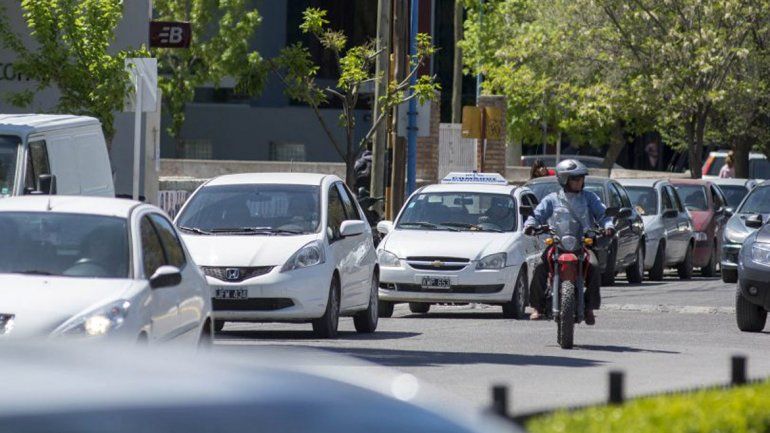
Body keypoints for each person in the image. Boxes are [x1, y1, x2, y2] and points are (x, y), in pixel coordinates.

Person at [523, 159, 615, 324]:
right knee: (539, 266)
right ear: (564, 179)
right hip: (557, 244)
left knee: (594, 266)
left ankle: (589, 307)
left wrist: (608, 226)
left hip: (582, 244)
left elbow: (603, 214)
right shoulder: (552, 199)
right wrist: (530, 225)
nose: (580, 181)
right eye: (575, 178)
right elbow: (537, 215)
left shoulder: (590, 198)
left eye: (581, 178)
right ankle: (537, 306)